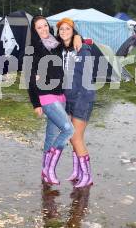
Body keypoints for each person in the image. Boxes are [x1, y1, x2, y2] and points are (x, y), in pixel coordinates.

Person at [28, 16, 81, 185]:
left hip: (61, 96)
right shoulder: (34, 49)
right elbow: (30, 79)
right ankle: (50, 168)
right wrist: (36, 103)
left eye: (45, 26)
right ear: (34, 31)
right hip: (46, 96)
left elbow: (69, 36)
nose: (43, 30)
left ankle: (45, 171)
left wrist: (78, 35)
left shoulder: (56, 44)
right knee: (68, 129)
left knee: (51, 135)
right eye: (39, 28)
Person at [56, 18, 95, 188]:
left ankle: (87, 175)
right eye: (61, 29)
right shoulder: (60, 50)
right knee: (73, 138)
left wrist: (80, 39)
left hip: (82, 97)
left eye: (67, 29)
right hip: (68, 98)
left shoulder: (83, 49)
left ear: (73, 31)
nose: (64, 31)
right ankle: (77, 172)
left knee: (75, 137)